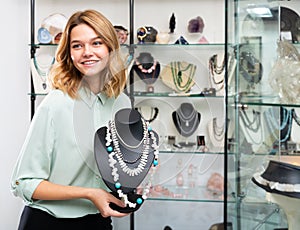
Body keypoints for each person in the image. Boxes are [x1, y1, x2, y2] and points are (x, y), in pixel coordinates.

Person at [10, 9, 132, 229]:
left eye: (96, 43)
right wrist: (88, 193)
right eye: (77, 45)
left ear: (111, 48)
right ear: (69, 54)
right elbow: (23, 183)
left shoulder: (121, 103)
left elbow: (113, 166)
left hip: (99, 221)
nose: (87, 52)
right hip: (48, 223)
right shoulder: (55, 104)